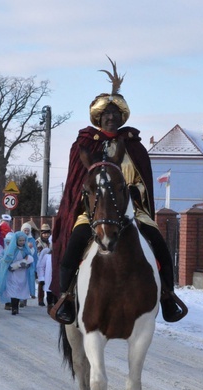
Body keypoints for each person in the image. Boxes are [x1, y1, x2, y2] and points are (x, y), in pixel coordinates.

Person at [50, 60, 188, 324]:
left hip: (130, 210)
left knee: (158, 243)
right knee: (75, 244)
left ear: (122, 118)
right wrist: (91, 202)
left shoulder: (133, 147)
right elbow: (76, 186)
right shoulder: (84, 145)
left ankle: (168, 297)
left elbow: (141, 183)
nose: (111, 119)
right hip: (93, 211)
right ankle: (66, 298)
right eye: (106, 115)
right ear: (98, 118)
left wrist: (131, 195)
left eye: (115, 115)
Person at [0, 231, 34, 315]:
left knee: (19, 290)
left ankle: (17, 306)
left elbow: (30, 261)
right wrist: (11, 266)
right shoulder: (11, 250)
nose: (22, 242)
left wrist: (26, 264)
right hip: (13, 274)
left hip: (22, 274)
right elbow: (6, 260)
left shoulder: (25, 250)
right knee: (13, 290)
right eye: (20, 240)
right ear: (16, 241)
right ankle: (14, 308)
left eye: (23, 240)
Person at [36, 224, 52, 306]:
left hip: (49, 264)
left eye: (47, 233)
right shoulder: (38, 241)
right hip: (40, 264)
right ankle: (40, 299)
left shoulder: (51, 241)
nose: (46, 235)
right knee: (41, 282)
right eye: (44, 233)